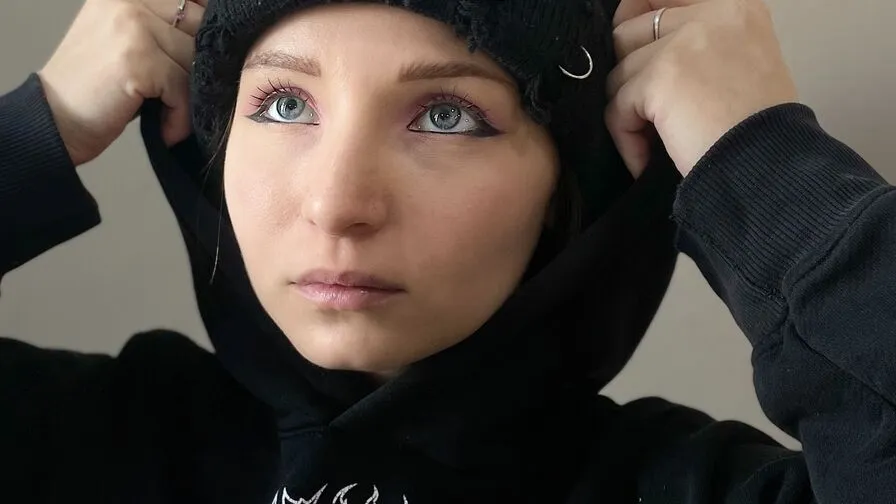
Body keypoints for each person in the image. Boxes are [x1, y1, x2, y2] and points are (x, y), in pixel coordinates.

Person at [1, 0, 894, 501]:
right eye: (283, 104)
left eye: (446, 116)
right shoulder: (82, 448)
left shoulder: (687, 489)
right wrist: (40, 127)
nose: (338, 204)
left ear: (567, 187)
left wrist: (761, 160)